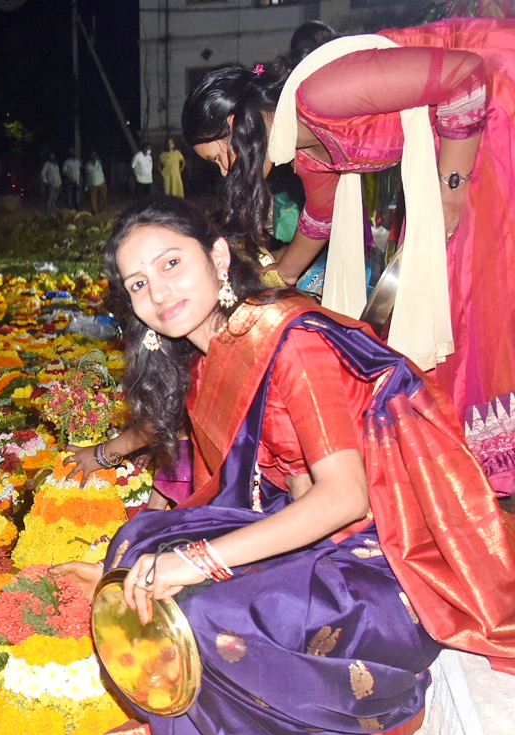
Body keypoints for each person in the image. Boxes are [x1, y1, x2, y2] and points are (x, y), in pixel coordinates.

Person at [55, 197, 515, 735]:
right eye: (138, 283)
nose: (158, 292)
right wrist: (163, 549)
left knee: (201, 609)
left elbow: (346, 497)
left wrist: (200, 560)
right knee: (137, 543)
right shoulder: (210, 352)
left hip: (377, 560)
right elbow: (230, 486)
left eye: (170, 264)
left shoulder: (290, 340)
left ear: (217, 257)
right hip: (305, 534)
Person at [181, 18, 515, 494]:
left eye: (218, 157)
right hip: (452, 157)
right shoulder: (304, 145)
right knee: (447, 312)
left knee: (468, 306)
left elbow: (466, 79)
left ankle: (478, 470)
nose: (224, 170)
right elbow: (319, 218)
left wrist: (451, 191)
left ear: (235, 124)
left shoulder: (321, 94)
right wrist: (270, 288)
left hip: (485, 125)